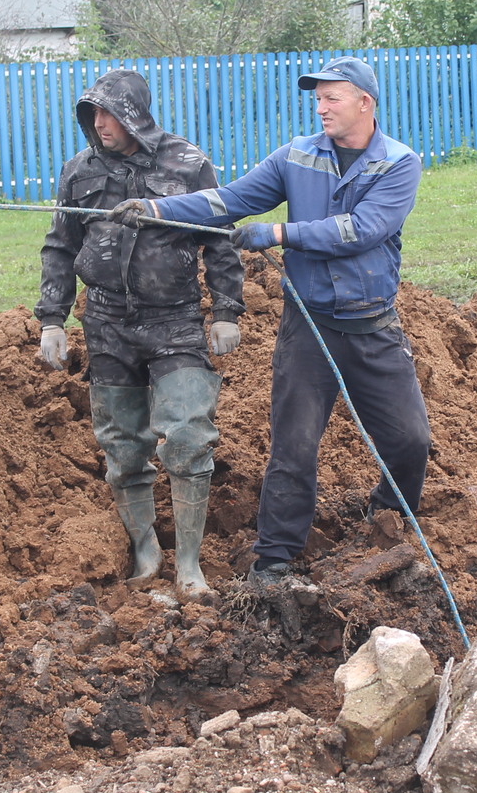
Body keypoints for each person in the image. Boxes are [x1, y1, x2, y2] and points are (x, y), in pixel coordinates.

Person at [111, 56, 431, 587]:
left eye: (331, 97)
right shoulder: (297, 155)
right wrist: (158, 210)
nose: (321, 107)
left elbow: (362, 229)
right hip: (309, 328)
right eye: (318, 97)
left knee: (410, 440)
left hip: (373, 327)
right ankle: (275, 558)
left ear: (364, 103)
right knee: (293, 446)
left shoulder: (398, 163)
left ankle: (389, 517)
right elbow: (229, 200)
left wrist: (280, 233)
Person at [36, 70, 245, 602]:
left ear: (134, 114)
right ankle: (146, 548)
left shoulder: (187, 163)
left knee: (190, 435)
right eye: (93, 114)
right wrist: (53, 319)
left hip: (175, 320)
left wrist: (226, 310)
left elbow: (220, 238)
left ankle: (189, 563)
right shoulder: (79, 171)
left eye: (109, 113)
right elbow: (60, 246)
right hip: (107, 324)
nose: (100, 124)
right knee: (123, 447)